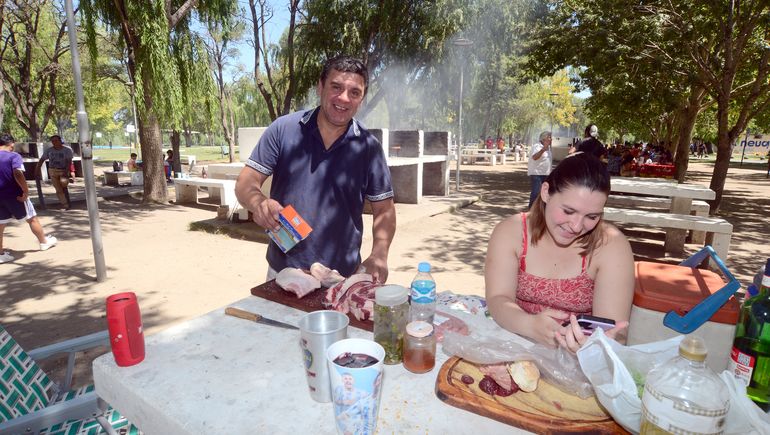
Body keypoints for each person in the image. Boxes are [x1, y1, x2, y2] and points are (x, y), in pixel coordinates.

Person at [235, 55, 396, 281]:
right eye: (336, 87)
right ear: (320, 87)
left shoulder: (369, 148)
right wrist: (258, 203)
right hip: (283, 273)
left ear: (362, 98)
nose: (344, 98)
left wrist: (379, 254)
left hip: (342, 278)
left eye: (354, 92)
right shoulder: (284, 129)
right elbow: (246, 182)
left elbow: (385, 210)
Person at [485, 153, 635, 353]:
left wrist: (593, 346)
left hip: (580, 359)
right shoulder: (510, 231)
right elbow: (498, 299)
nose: (576, 226)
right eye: (568, 211)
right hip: (514, 341)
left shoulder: (612, 246)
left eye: (591, 216)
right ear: (546, 192)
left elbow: (612, 331)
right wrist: (530, 325)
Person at [1, 133, 57, 263]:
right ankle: (43, 242)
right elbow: (17, 173)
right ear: (12, 144)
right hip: (15, 195)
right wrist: (25, 191)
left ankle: (0, 254)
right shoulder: (14, 156)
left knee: (0, 223)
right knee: (32, 218)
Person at [35, 135, 73, 210]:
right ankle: (65, 204)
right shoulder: (49, 150)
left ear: (60, 141)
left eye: (56, 141)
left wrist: (66, 171)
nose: (54, 142)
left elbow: (69, 161)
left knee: (64, 184)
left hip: (63, 170)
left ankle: (67, 197)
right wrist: (37, 169)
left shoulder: (67, 150)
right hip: (53, 170)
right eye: (52, 141)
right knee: (58, 189)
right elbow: (42, 159)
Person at [527, 131, 552, 208]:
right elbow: (535, 157)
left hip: (546, 174)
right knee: (536, 193)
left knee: (544, 194)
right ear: (544, 139)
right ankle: (531, 210)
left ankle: (540, 211)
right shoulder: (537, 146)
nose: (551, 139)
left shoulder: (549, 148)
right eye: (549, 137)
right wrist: (543, 149)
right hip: (537, 174)